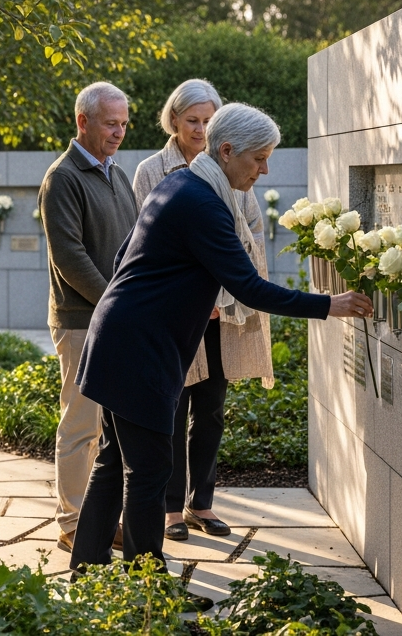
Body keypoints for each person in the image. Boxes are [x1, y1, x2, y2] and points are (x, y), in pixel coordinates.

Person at [68, 103, 372, 573]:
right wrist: (328, 304)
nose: (265, 169)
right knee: (148, 471)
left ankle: (86, 568)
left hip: (118, 337)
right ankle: (146, 587)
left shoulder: (179, 183)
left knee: (114, 461)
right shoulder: (204, 204)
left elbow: (122, 259)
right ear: (227, 151)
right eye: (259, 158)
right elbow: (249, 286)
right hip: (139, 352)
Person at [132, 80, 275, 541]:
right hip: (180, 310)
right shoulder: (155, 171)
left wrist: (222, 298)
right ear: (173, 120)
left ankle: (202, 502)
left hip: (223, 309)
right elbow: (153, 240)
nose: (199, 128)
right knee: (171, 406)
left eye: (207, 120)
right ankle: (171, 510)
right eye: (192, 120)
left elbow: (250, 230)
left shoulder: (233, 167)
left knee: (211, 407)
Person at [38, 81, 138, 554]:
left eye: (123, 123)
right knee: (81, 425)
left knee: (108, 429)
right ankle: (73, 523)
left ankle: (100, 519)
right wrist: (115, 301)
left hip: (114, 318)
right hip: (81, 320)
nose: (119, 132)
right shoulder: (63, 177)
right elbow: (70, 257)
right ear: (83, 121)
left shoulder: (118, 175)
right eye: (110, 123)